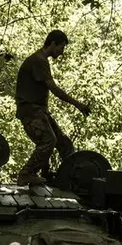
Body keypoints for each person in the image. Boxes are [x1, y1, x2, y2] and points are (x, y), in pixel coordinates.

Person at [14, 29, 91, 186]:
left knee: (64, 143)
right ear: (53, 44)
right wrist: (78, 104)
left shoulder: (41, 60)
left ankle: (70, 176)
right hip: (30, 111)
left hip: (39, 111)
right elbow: (54, 89)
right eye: (61, 47)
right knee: (49, 140)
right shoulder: (39, 60)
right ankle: (26, 174)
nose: (62, 52)